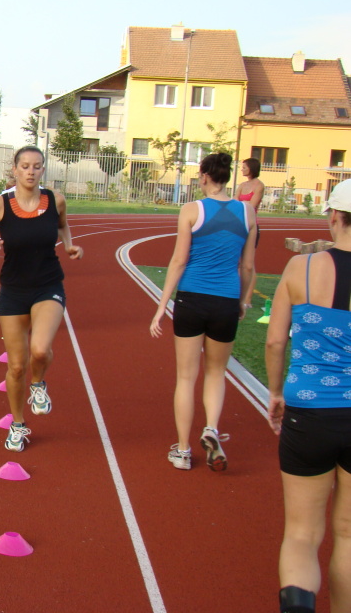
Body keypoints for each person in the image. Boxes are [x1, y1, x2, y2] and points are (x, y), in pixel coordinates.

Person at [265, 178, 351, 613]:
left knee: (301, 534)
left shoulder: (302, 269)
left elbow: (276, 342)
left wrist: (277, 392)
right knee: (349, 534)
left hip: (310, 410)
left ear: (334, 217)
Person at [0, 146, 83, 452]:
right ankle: (18, 424)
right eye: (25, 166)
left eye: (37, 166)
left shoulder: (55, 200)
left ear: (43, 170)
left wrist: (69, 246)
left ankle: (39, 384)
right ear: (14, 170)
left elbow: (63, 224)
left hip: (48, 285)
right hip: (13, 292)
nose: (31, 171)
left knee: (40, 351)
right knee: (16, 367)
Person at [150, 152, 256, 471]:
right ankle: (210, 428)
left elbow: (179, 261)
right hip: (226, 300)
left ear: (206, 176)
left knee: (186, 377)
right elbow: (248, 266)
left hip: (192, 300)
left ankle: (182, 451)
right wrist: (243, 301)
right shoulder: (248, 213)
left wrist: (160, 307)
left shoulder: (191, 210)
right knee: (215, 373)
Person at [237, 157, 265, 309]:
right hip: (239, 225)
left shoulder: (259, 186)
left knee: (248, 263)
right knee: (238, 262)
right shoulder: (242, 185)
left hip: (251, 227)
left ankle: (247, 299)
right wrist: (243, 204)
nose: (242, 169)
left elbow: (252, 205)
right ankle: (237, 293)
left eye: (244, 167)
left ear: (251, 168)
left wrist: (241, 204)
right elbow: (234, 202)